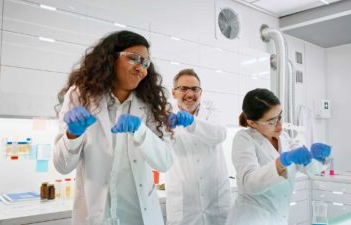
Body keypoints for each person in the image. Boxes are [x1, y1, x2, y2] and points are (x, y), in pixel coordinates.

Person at [53, 30, 174, 225]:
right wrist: (72, 135)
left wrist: (141, 131)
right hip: (96, 215)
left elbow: (165, 162)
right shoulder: (80, 95)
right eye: (134, 59)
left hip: (138, 216)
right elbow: (62, 165)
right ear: (110, 58)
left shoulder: (150, 104)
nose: (141, 68)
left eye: (145, 63)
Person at [225, 88, 331, 225]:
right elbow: (250, 183)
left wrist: (316, 157)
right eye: (271, 121)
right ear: (252, 123)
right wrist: (281, 162)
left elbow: (309, 169)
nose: (279, 125)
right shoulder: (244, 139)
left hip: (278, 218)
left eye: (279, 117)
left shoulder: (285, 138)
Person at [165, 68, 231, 225]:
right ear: (174, 93)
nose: (190, 94)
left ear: (201, 92)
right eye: (184, 89)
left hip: (216, 201)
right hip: (184, 206)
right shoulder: (165, 115)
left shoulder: (212, 110)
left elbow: (220, 133)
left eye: (195, 89)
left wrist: (192, 122)